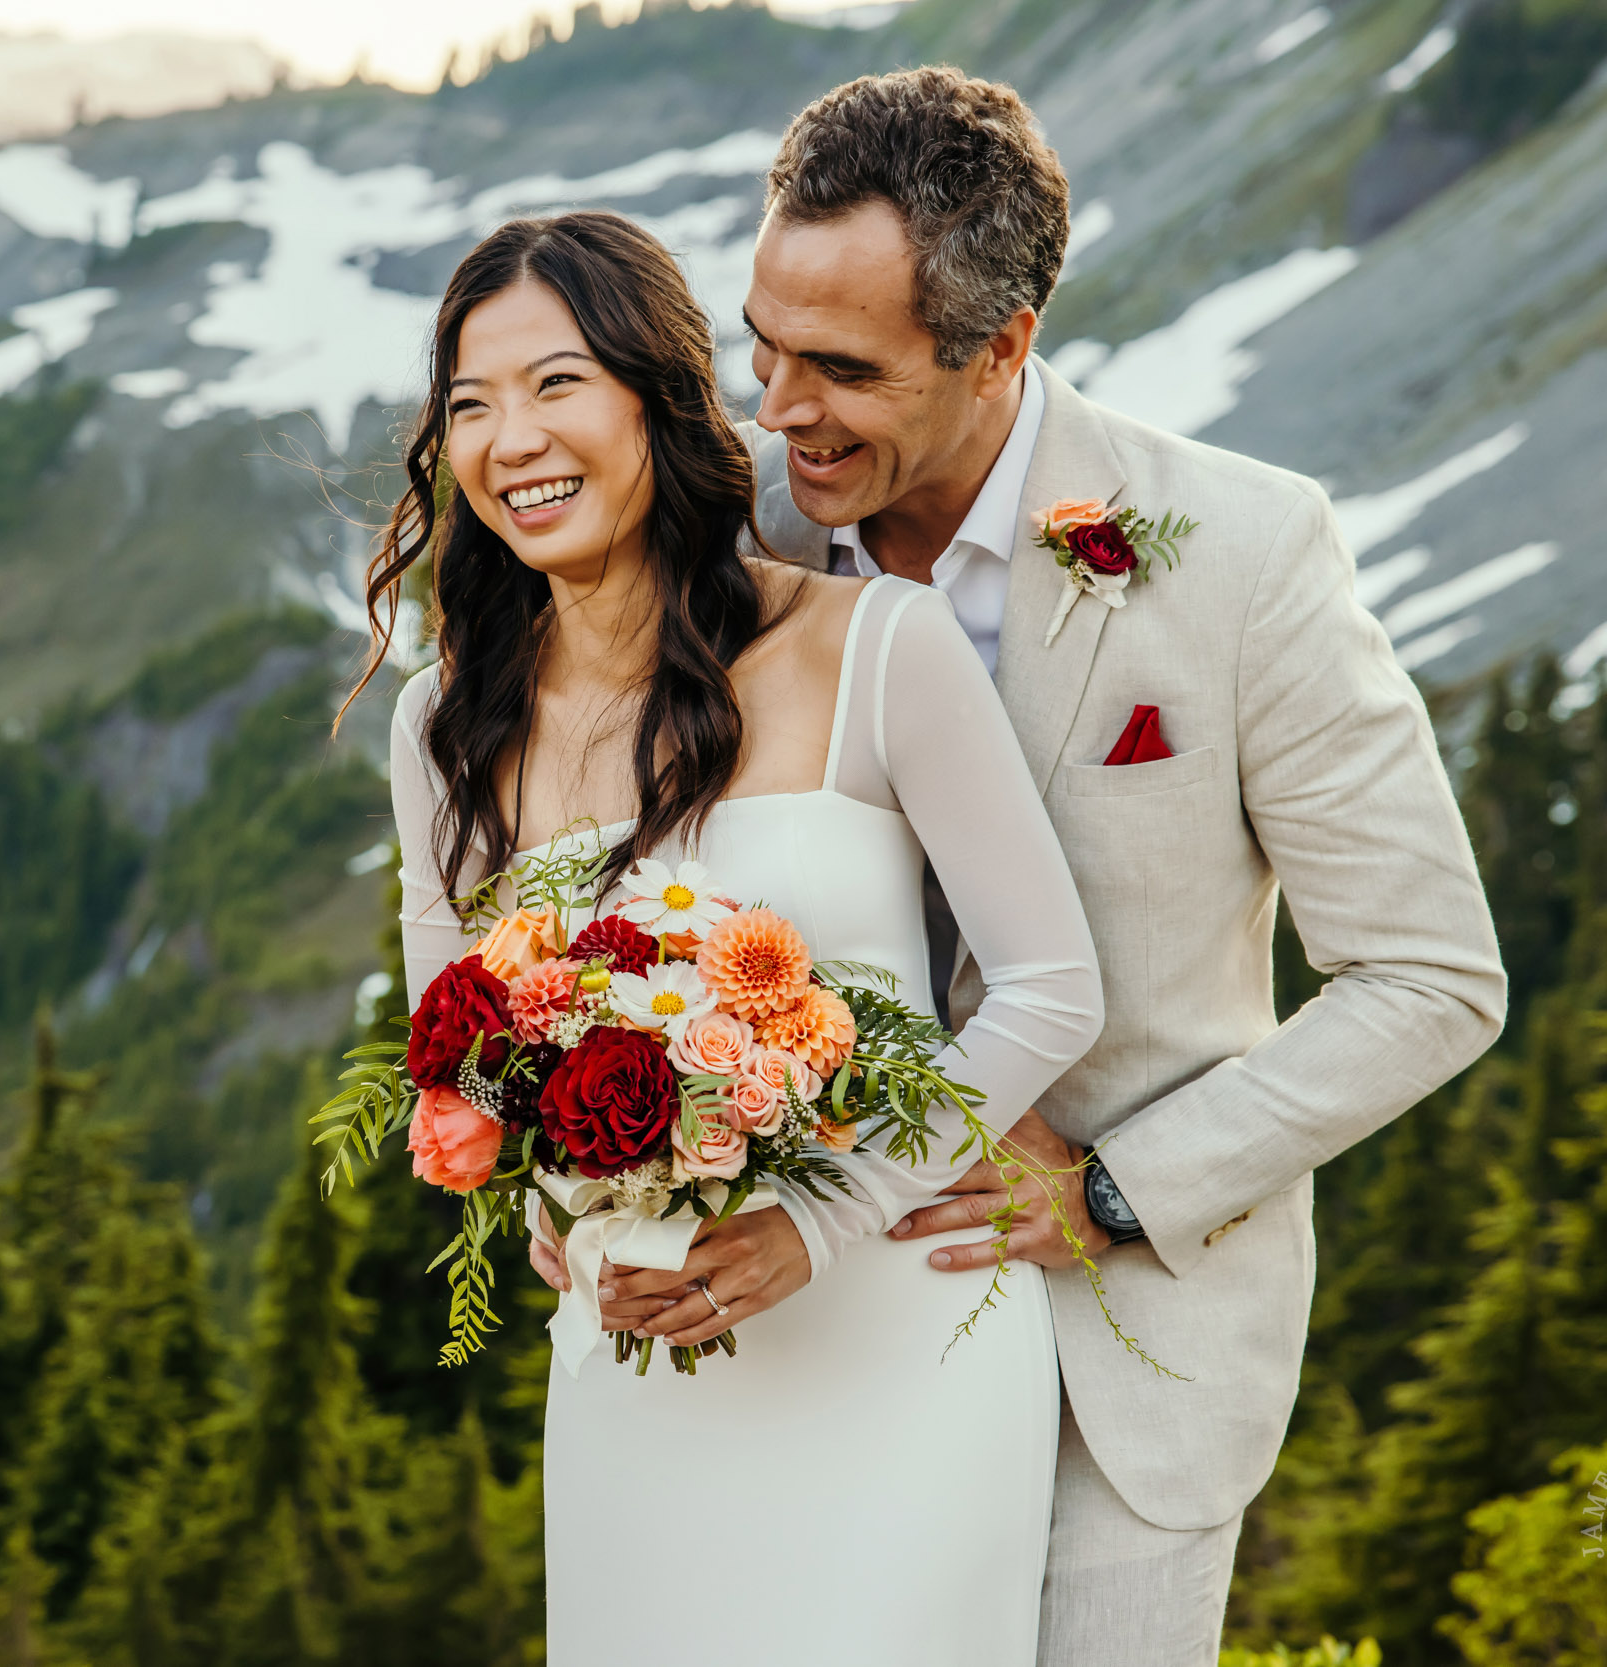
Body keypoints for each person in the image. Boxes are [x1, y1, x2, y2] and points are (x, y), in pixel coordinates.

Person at [568, 68, 1506, 1666]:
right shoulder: (731, 568)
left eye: (843, 369)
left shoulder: (1246, 555)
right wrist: (584, 1186)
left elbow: (1433, 981)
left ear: (1000, 347)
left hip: (1112, 1364)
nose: (779, 408)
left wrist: (1122, 1192)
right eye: (764, 344)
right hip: (795, 1335)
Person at [364, 209, 1103, 1664]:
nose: (513, 437)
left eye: (557, 382)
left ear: (660, 395)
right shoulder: (443, 724)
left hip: (901, 1340)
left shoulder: (874, 644)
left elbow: (1050, 989)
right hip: (642, 1355)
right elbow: (456, 1052)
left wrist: (820, 1223)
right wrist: (552, 1211)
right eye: (470, 402)